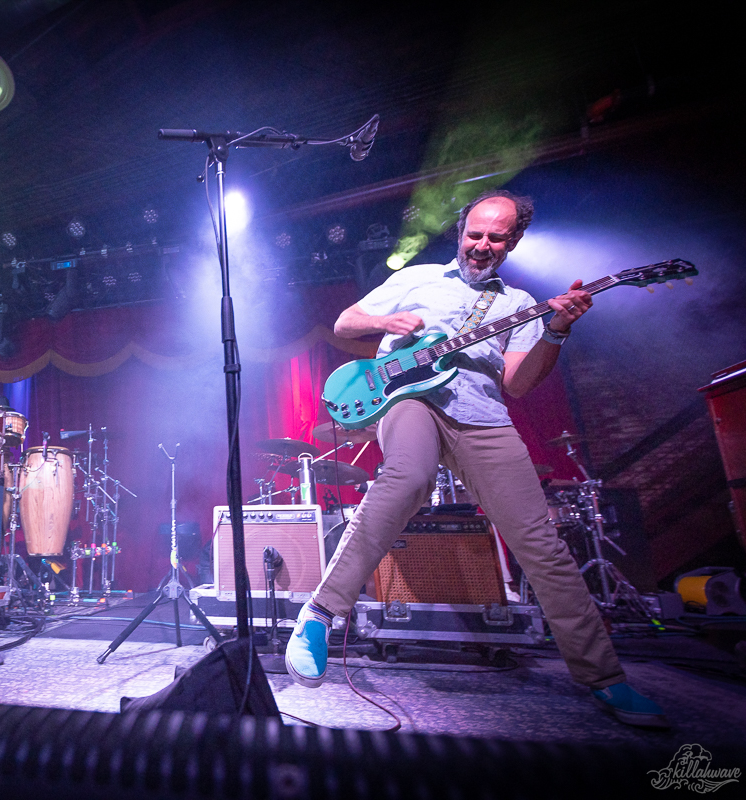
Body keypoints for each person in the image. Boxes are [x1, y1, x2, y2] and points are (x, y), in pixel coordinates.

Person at [285, 189, 669, 729]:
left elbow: (517, 383)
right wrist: (387, 325)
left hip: (482, 416)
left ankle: (605, 678)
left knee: (541, 541)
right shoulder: (416, 278)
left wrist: (556, 331)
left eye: (495, 237)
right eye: (474, 233)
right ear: (461, 231)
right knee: (408, 475)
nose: (482, 244)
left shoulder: (516, 303)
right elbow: (347, 323)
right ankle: (321, 613)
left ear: (512, 242)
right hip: (409, 399)